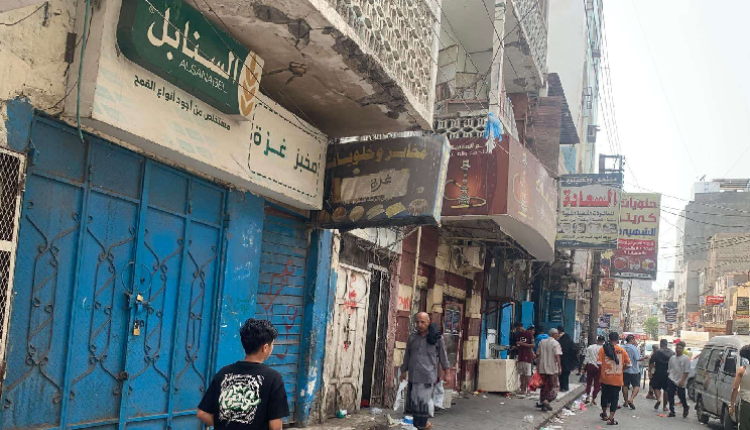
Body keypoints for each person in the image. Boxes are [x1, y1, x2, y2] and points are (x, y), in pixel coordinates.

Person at [198, 319, 289, 430]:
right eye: (272, 344)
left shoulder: (223, 373)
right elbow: (275, 426)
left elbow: (202, 413)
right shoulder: (273, 378)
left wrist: (223, 424)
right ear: (265, 348)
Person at [400, 312, 450, 430]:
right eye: (417, 322)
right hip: (413, 376)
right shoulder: (413, 337)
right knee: (414, 405)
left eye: (422, 322)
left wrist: (447, 373)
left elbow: (443, 356)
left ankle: (421, 426)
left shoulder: (436, 338)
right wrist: (403, 371)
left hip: (427, 376)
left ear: (428, 322)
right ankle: (423, 425)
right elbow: (407, 355)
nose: (420, 324)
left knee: (422, 404)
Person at [597, 331, 631, 426]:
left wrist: (603, 370)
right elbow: (629, 365)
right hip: (617, 378)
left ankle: (604, 414)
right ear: (618, 340)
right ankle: (611, 418)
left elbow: (599, 364)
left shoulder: (602, 350)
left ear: (609, 339)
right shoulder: (622, 351)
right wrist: (621, 369)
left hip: (605, 378)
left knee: (604, 396)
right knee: (614, 398)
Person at [537, 328, 563, 412]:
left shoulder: (541, 342)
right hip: (552, 369)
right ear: (553, 334)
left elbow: (538, 355)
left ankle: (544, 403)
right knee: (554, 386)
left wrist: (537, 367)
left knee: (544, 387)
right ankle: (547, 401)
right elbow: (557, 356)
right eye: (557, 334)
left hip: (542, 368)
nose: (558, 335)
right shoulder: (555, 343)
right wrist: (559, 367)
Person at [666, 341, 690, 418]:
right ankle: (672, 411)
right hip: (671, 378)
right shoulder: (672, 358)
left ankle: (685, 406)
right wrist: (669, 377)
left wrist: (682, 380)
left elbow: (686, 371)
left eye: (680, 348)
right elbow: (669, 369)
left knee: (681, 395)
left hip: (680, 379)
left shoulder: (685, 358)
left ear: (682, 349)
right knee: (670, 395)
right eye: (677, 348)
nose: (678, 350)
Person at [649, 339, 674, 412]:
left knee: (656, 387)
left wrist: (650, 371)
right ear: (666, 344)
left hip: (658, 372)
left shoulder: (657, 352)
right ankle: (664, 406)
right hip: (667, 373)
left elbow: (651, 362)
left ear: (660, 344)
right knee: (666, 390)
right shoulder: (672, 353)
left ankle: (658, 399)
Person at [729, 345, 750, 430]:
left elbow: (735, 388)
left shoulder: (742, 370)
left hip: (746, 403)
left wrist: (732, 405)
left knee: (744, 427)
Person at [583, 336, 605, 405]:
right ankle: (593, 399)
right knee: (597, 385)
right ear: (603, 341)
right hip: (599, 367)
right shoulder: (604, 349)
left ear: (597, 340)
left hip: (590, 366)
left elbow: (586, 358)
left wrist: (583, 368)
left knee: (588, 382)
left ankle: (587, 396)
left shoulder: (590, 347)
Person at [621, 335, 641, 410]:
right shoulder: (633, 348)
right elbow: (637, 358)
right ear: (632, 340)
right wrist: (645, 357)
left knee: (625, 385)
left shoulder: (622, 347)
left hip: (625, 369)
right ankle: (631, 398)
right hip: (634, 370)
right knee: (636, 385)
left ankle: (626, 402)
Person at [516, 324, 536, 398]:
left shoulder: (529, 334)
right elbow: (519, 346)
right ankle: (523, 389)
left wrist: (523, 344)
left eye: (518, 328)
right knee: (522, 375)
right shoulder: (518, 335)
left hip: (527, 357)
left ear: (521, 326)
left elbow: (533, 345)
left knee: (528, 375)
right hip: (521, 357)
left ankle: (529, 391)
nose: (518, 330)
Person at [557, 326, 578, 392]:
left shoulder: (560, 340)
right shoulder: (569, 339)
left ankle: (562, 387)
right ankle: (565, 387)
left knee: (561, 374)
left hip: (562, 360)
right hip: (569, 361)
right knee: (566, 374)